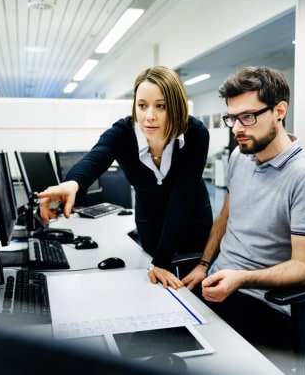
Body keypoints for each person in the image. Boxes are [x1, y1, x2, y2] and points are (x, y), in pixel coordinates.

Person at [182, 66, 305, 348]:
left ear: (279, 111)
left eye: (248, 117)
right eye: (232, 118)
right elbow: (226, 217)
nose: (238, 128)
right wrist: (204, 265)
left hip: (267, 305)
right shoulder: (241, 155)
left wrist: (241, 279)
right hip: (220, 287)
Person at [38, 66, 213, 289]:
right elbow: (96, 157)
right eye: (142, 106)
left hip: (191, 216)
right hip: (149, 217)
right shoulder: (123, 132)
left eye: (161, 106)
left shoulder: (195, 133)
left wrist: (162, 261)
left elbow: (182, 196)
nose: (149, 116)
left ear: (177, 106)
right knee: (155, 282)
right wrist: (72, 183)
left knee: (191, 285)